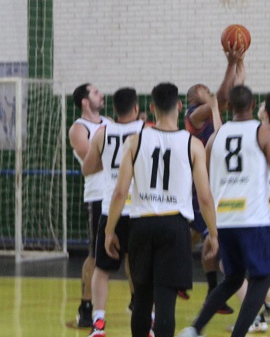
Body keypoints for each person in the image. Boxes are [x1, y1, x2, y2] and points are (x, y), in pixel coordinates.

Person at [179, 85, 270, 337]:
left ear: (230, 107)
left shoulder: (215, 137)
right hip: (253, 220)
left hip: (224, 220)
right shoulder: (263, 133)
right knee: (261, 278)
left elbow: (204, 183)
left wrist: (211, 228)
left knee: (232, 279)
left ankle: (194, 328)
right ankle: (243, 330)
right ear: (253, 106)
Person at [104, 82, 219, 337]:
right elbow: (205, 197)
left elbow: (120, 192)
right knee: (166, 302)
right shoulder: (193, 144)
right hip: (175, 226)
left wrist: (109, 231)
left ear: (152, 108)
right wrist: (214, 233)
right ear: (179, 106)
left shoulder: (135, 141)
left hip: (142, 225)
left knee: (142, 300)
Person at [183, 47, 245, 312]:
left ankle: (204, 289)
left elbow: (233, 93)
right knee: (212, 241)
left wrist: (240, 62)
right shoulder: (194, 115)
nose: (206, 90)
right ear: (194, 99)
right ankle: (200, 287)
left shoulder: (214, 110)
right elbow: (220, 96)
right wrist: (230, 65)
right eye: (202, 90)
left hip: (212, 185)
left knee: (199, 238)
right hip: (199, 189)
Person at [81, 87, 143, 337]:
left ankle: (98, 323)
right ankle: (145, 320)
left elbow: (87, 168)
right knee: (140, 268)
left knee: (103, 269)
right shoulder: (145, 131)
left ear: (114, 110)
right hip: (139, 209)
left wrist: (107, 164)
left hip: (111, 211)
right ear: (136, 108)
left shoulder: (102, 133)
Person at [228, 93, 270, 333]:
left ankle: (254, 317)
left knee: (232, 266)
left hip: (259, 208)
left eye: (262, 104)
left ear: (264, 113)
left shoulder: (258, 136)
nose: (260, 106)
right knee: (253, 264)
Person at [69, 83, 111, 329]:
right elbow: (90, 160)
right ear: (85, 101)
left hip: (121, 193)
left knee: (130, 253)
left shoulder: (109, 122)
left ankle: (137, 302)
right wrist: (120, 157)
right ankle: (86, 307)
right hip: (97, 195)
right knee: (96, 255)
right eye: (96, 92)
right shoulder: (78, 128)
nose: (101, 94)